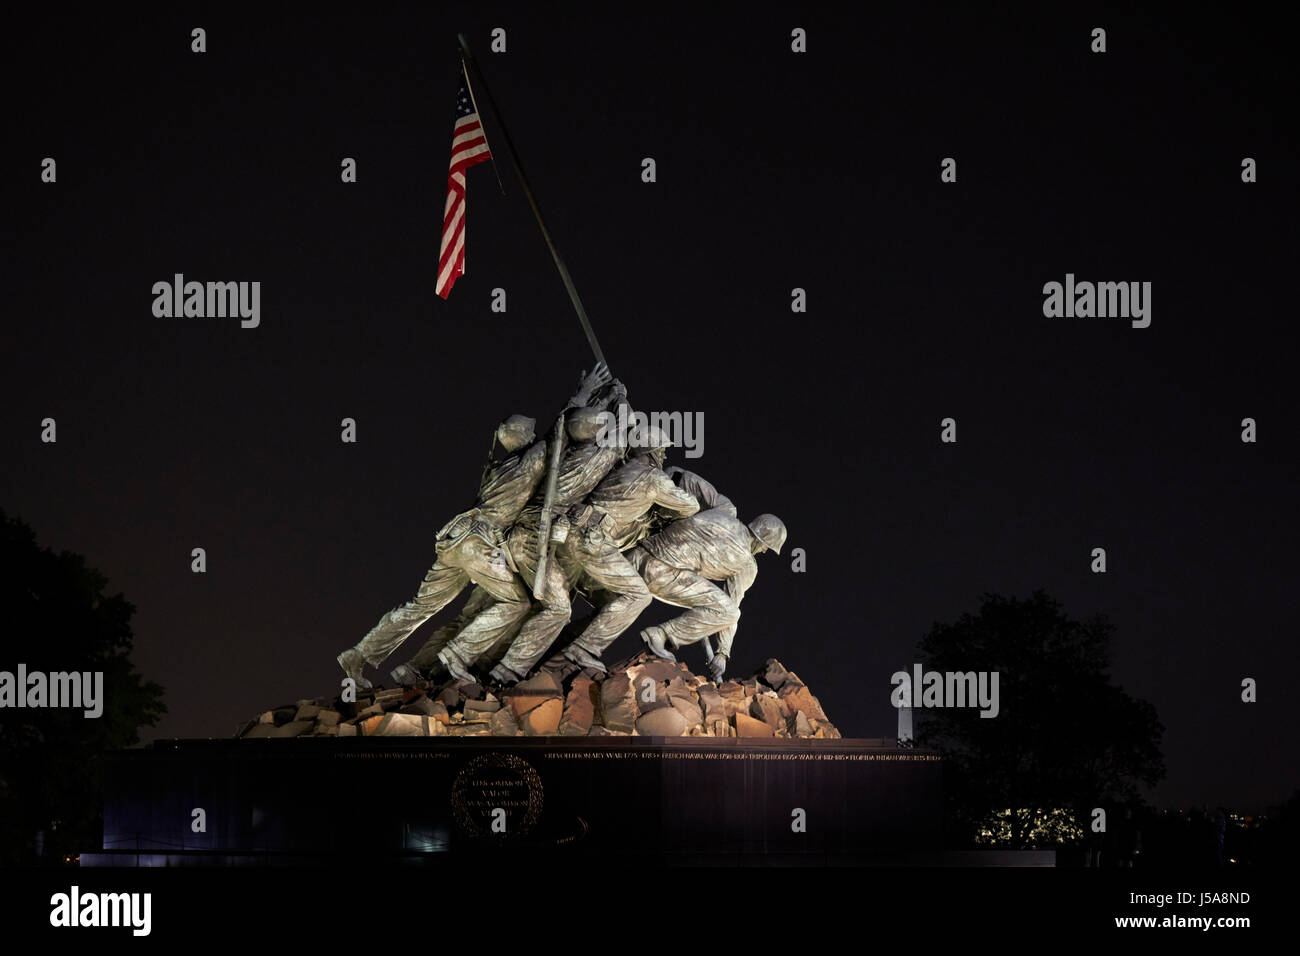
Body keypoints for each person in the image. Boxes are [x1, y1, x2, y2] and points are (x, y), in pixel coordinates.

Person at [335, 364, 611, 689]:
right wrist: (586, 391)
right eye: (531, 434)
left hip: (454, 539)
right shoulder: (531, 460)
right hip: (478, 543)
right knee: (518, 603)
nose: (537, 436)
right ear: (524, 438)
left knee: (420, 606)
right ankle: (457, 656)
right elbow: (562, 428)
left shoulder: (496, 467)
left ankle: (360, 653)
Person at [630, 467, 786, 682]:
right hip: (660, 574)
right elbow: (731, 609)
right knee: (729, 612)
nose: (765, 551)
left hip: (636, 555)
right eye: (767, 547)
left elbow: (686, 477)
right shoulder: (747, 565)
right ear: (763, 542)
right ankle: (662, 634)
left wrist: (668, 477)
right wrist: (722, 653)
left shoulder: (725, 509)